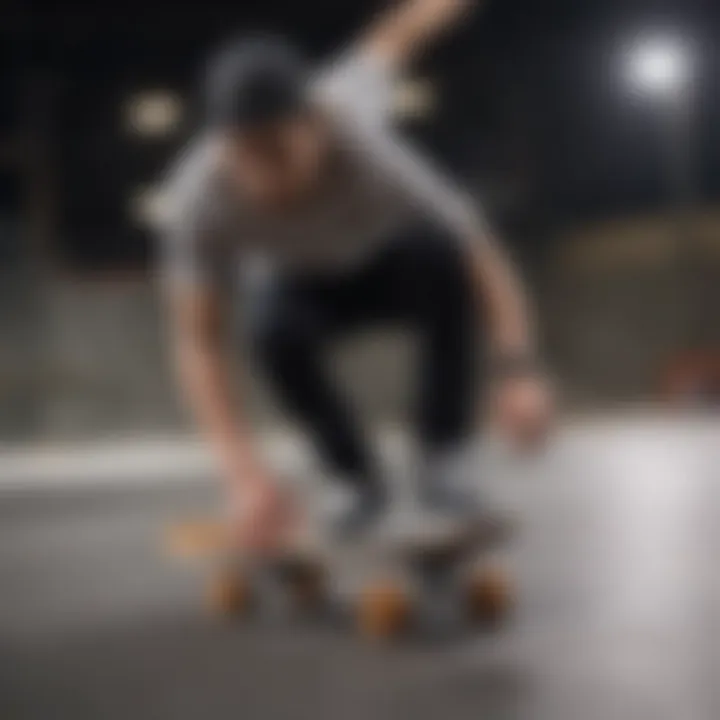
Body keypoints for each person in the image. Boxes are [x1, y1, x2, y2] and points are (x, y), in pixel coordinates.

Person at [158, 0, 552, 550]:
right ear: (223, 143)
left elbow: (400, 32)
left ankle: (445, 457)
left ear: (316, 124)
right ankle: (352, 478)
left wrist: (518, 370)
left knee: (444, 256)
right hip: (299, 287)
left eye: (279, 151)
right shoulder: (199, 196)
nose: (264, 178)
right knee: (269, 327)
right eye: (245, 154)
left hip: (387, 266)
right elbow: (198, 343)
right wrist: (242, 476)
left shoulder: (359, 128)